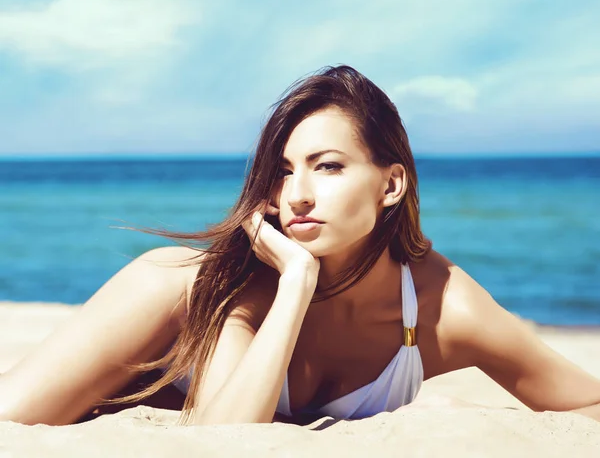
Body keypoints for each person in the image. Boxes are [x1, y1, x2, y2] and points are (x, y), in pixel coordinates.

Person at [1, 65, 599, 427]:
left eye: (328, 167)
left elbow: (586, 406)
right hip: (155, 307)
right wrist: (293, 282)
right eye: (283, 171)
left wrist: (465, 421)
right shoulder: (228, 291)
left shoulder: (443, 310)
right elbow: (222, 441)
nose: (298, 195)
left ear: (391, 184)